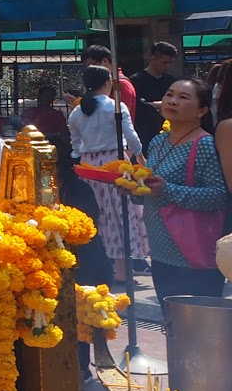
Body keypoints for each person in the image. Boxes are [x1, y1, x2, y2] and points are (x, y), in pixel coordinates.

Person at [140, 79, 227, 299]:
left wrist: (167, 190)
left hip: (193, 255)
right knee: (171, 325)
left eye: (183, 97)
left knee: (199, 328)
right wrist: (135, 191)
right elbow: (151, 192)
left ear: (202, 111)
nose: (173, 101)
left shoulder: (206, 144)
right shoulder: (157, 142)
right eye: (169, 95)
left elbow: (218, 196)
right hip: (159, 252)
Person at [68, 64, 146, 281]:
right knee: (120, 214)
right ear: (107, 83)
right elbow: (131, 137)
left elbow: (74, 144)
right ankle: (123, 271)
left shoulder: (77, 111)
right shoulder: (115, 107)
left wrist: (81, 157)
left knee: (97, 215)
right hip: (114, 164)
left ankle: (100, 265)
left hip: (88, 166)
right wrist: (139, 157)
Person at [129, 41, 178, 148]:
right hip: (145, 134)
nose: (167, 66)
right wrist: (154, 105)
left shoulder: (171, 81)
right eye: (164, 62)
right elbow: (135, 107)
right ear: (153, 58)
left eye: (170, 62)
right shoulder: (136, 80)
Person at [82, 44, 136, 117]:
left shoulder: (121, 84)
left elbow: (123, 117)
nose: (90, 69)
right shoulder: (105, 82)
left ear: (105, 61)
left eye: (92, 65)